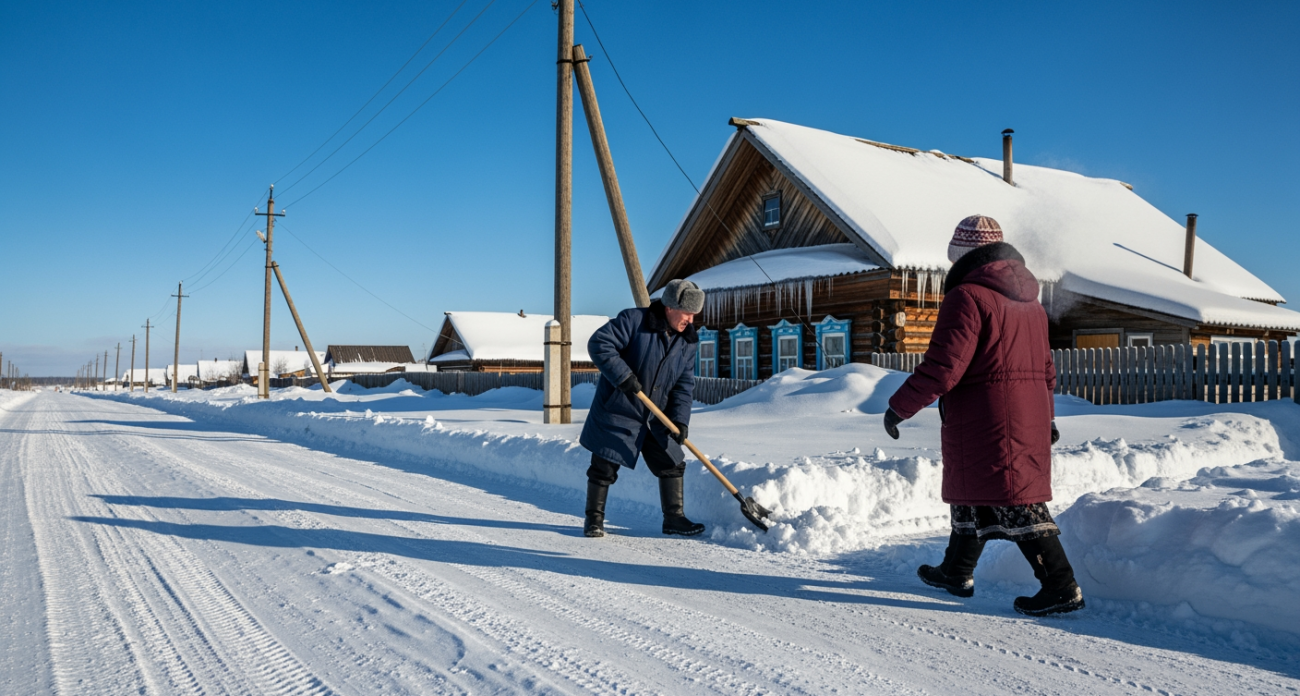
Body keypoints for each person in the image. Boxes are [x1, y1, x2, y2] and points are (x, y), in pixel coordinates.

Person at [884, 215, 1084, 617]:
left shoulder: (968, 297)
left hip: (987, 418)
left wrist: (899, 406)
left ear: (963, 255)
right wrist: (1048, 419)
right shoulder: (1031, 303)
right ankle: (956, 571)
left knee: (1019, 502)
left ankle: (1061, 586)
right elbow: (1047, 370)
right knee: (975, 494)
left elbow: (944, 366)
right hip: (1022, 417)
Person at [579, 279, 706, 539]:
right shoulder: (634, 321)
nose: (690, 321)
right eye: (687, 313)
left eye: (694, 315)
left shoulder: (687, 342)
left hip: (654, 416)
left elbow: (683, 385)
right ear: (670, 307)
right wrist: (623, 376)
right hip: (619, 409)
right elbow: (599, 343)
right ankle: (594, 520)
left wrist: (680, 421)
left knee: (672, 461)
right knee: (603, 465)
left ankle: (674, 519)